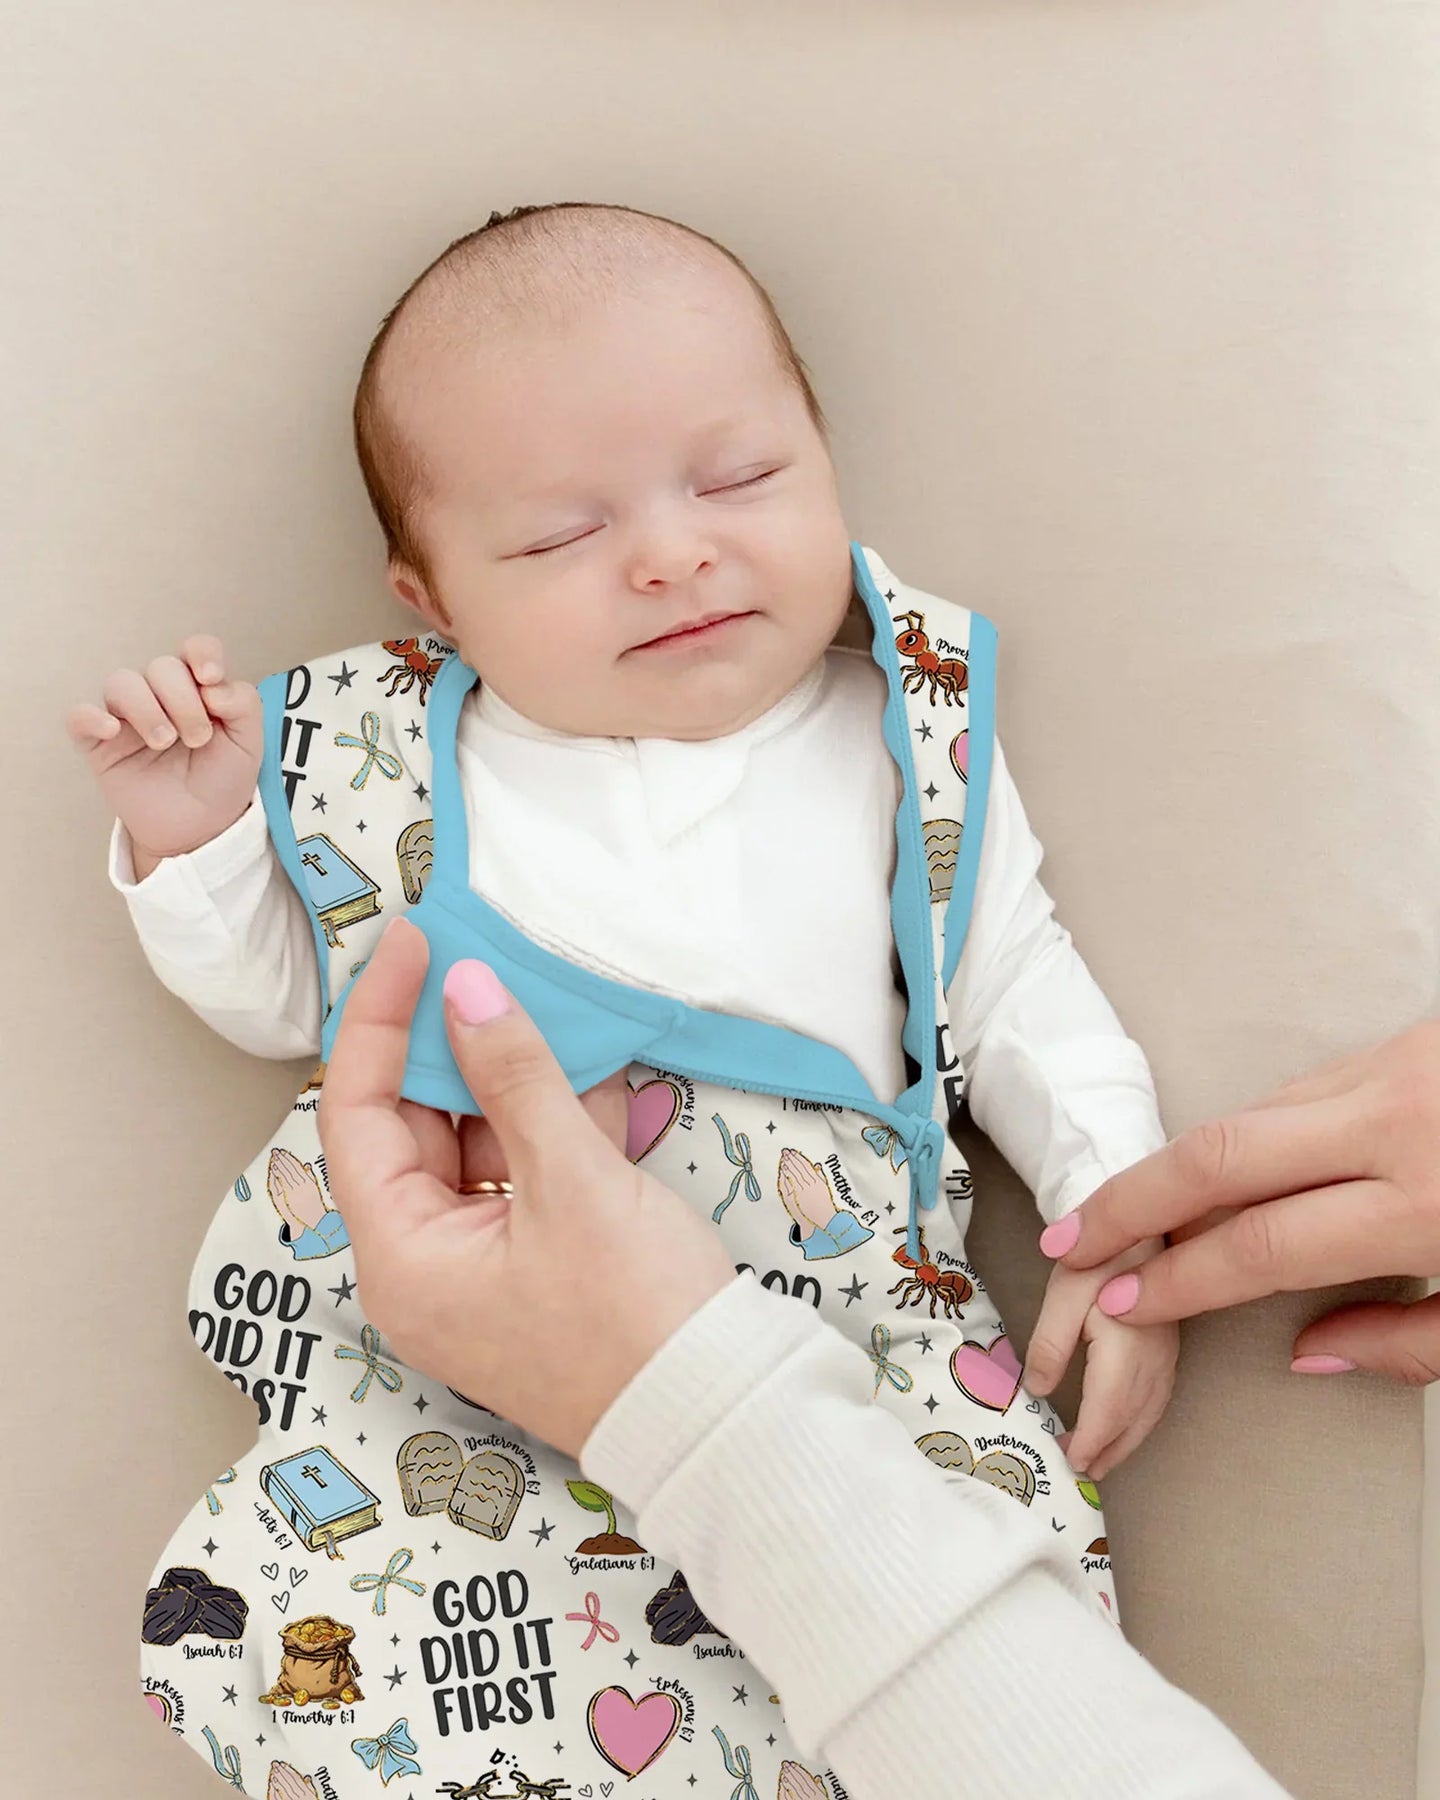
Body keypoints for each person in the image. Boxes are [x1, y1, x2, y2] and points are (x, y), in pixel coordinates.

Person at [79, 200, 1191, 1798]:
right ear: (434, 600)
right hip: (474, 1366)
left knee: (959, 1644)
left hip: (844, 1333)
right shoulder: (395, 757)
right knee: (411, 1653)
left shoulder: (904, 726)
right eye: (558, 539)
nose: (673, 553)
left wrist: (1116, 1211)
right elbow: (294, 1009)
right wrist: (194, 837)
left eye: (739, 479)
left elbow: (1015, 983)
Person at [315, 918, 1296, 1797]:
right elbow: (294, 976)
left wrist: (1115, 1210)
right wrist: (224, 821)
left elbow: (1016, 982)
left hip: (856, 1317)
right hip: (485, 1308)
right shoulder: (407, 793)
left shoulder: (914, 786)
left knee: (967, 1553)